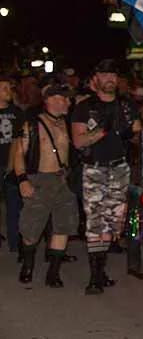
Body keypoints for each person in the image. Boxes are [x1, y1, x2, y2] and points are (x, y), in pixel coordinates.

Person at [70, 59, 142, 294]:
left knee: (113, 222)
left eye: (113, 75)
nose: (110, 79)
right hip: (94, 168)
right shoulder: (85, 107)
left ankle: (100, 272)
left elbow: (138, 135)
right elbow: (78, 141)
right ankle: (94, 277)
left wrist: (132, 134)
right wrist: (102, 131)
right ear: (96, 79)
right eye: (104, 74)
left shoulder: (127, 105)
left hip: (120, 168)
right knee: (95, 221)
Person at [11, 82, 78, 287]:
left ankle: (53, 273)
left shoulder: (67, 123)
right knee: (31, 228)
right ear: (49, 100)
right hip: (39, 180)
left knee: (63, 226)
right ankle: (28, 265)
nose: (67, 102)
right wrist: (22, 180)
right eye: (62, 98)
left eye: (67, 98)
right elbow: (19, 153)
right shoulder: (32, 124)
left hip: (63, 180)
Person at [1, 75, 24, 254]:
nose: (9, 92)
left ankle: (15, 242)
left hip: (11, 165)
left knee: (14, 205)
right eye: (4, 88)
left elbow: (21, 140)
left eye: (10, 88)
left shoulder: (17, 112)